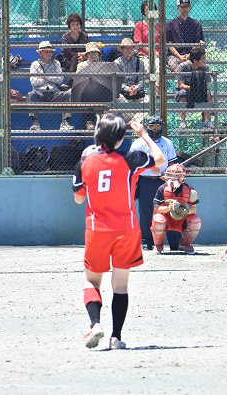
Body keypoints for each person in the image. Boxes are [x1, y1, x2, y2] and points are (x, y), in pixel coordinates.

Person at [72, 114, 167, 350]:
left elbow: (78, 198)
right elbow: (161, 159)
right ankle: (116, 337)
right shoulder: (131, 159)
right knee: (120, 286)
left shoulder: (86, 162)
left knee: (91, 281)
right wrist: (144, 135)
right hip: (126, 229)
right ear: (121, 137)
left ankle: (95, 324)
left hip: (97, 230)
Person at [130, 115, 179, 250]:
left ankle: (174, 242)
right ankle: (147, 241)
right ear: (147, 127)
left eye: (158, 126)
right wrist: (149, 166)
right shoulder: (138, 143)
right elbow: (132, 163)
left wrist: (168, 175)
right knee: (145, 212)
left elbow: (173, 163)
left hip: (163, 182)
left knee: (169, 210)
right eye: (153, 126)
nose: (156, 129)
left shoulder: (167, 143)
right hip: (145, 181)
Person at [151, 164, 201, 253]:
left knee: (195, 220)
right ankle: (158, 245)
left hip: (182, 219)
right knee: (158, 219)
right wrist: (169, 208)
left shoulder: (188, 189)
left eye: (177, 175)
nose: (173, 177)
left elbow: (194, 210)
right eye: (170, 175)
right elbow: (158, 210)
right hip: (166, 218)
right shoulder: (162, 188)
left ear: (183, 176)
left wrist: (184, 211)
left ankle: (185, 244)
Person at [26, 41, 73, 131]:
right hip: (39, 93)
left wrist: (44, 76)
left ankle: (65, 122)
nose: (49, 53)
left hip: (55, 92)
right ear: (40, 53)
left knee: (68, 94)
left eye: (50, 51)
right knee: (31, 95)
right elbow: (34, 82)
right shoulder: (35, 64)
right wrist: (53, 76)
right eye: (46, 51)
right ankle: (35, 123)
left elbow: (60, 79)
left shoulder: (56, 63)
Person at [175, 47, 213, 130]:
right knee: (182, 94)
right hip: (186, 90)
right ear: (195, 60)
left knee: (207, 93)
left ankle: (207, 121)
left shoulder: (205, 67)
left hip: (199, 90)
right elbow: (181, 85)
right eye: (203, 59)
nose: (205, 61)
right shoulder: (183, 66)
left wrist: (197, 89)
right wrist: (192, 88)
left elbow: (205, 85)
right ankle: (183, 122)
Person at [166, 0, 205, 72]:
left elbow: (196, 43)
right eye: (182, 7)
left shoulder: (196, 24)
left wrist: (190, 55)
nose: (185, 9)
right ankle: (182, 83)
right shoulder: (170, 24)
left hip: (192, 55)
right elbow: (170, 45)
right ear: (178, 8)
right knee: (175, 67)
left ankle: (188, 83)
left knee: (195, 66)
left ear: (190, 8)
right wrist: (180, 57)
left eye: (187, 6)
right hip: (175, 55)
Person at [115, 37, 148, 108]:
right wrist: (128, 89)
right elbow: (117, 82)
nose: (129, 50)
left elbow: (143, 79)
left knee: (149, 100)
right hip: (123, 93)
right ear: (122, 49)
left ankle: (133, 118)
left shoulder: (139, 62)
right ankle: (135, 118)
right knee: (119, 100)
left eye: (131, 48)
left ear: (133, 49)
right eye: (126, 48)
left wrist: (136, 88)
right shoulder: (117, 62)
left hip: (137, 92)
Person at [59, 13, 89, 88]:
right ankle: (73, 79)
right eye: (73, 24)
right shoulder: (66, 36)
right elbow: (68, 52)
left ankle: (72, 81)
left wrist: (84, 56)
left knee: (79, 59)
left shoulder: (84, 35)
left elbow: (89, 47)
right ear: (69, 26)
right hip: (67, 59)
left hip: (82, 58)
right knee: (75, 58)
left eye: (77, 24)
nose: (75, 26)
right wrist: (80, 54)